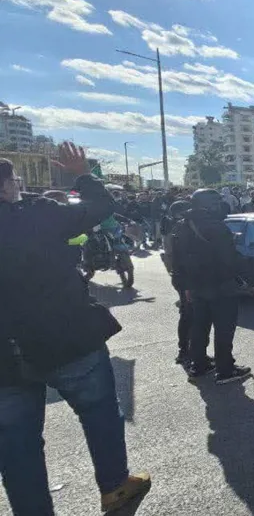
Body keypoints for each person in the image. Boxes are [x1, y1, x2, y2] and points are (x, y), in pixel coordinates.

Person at [0, 145, 151, 515]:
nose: (18, 186)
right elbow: (100, 207)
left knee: (16, 444)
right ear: (4, 187)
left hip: (5, 353)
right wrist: (82, 173)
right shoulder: (36, 215)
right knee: (100, 411)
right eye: (14, 180)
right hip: (65, 335)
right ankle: (115, 485)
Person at [172, 189, 251, 384]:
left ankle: (198, 365)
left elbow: (177, 260)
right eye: (218, 203)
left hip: (196, 287)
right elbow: (230, 258)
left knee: (200, 327)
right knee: (224, 329)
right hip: (220, 285)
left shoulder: (183, 225)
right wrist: (253, 279)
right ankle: (225, 370)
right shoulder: (216, 227)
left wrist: (185, 286)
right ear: (210, 205)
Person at [163, 200, 197, 365]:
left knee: (189, 314)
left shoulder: (178, 228)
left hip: (180, 277)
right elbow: (178, 259)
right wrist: (188, 285)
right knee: (188, 315)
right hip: (184, 279)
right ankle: (184, 351)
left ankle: (189, 349)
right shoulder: (179, 230)